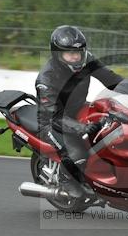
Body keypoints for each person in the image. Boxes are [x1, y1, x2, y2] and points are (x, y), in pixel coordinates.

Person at [36, 25, 123, 198]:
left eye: (79, 52)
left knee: (111, 126)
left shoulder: (87, 61)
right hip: (52, 122)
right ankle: (67, 180)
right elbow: (54, 116)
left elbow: (112, 79)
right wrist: (81, 128)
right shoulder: (46, 79)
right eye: (70, 53)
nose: (76, 57)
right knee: (77, 152)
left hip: (77, 108)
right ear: (57, 54)